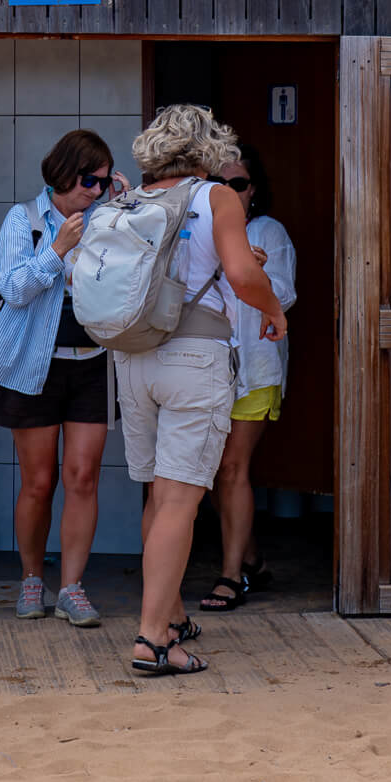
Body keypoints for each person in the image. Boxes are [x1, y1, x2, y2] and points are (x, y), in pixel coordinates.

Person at [115, 106, 287, 677]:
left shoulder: (128, 202)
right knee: (183, 498)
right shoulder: (216, 198)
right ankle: (153, 640)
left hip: (133, 358)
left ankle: (169, 616)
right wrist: (271, 311)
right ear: (208, 149)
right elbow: (240, 277)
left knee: (159, 497)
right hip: (194, 356)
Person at [0, 130, 125, 626]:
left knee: (82, 477)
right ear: (65, 175)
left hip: (92, 361)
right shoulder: (23, 220)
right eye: (91, 181)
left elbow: (132, 274)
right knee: (39, 483)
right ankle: (30, 580)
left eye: (105, 183)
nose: (97, 190)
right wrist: (57, 249)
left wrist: (125, 213)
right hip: (33, 366)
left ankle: (72, 587)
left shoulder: (108, 217)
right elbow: (13, 290)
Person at [200, 145, 297, 612]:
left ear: (252, 190)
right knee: (214, 475)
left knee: (232, 468)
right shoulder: (198, 235)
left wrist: (252, 268)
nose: (229, 192)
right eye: (220, 184)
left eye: (238, 184)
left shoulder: (267, 232)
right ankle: (252, 558)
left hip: (255, 370)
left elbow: (284, 295)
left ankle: (230, 574)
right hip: (205, 368)